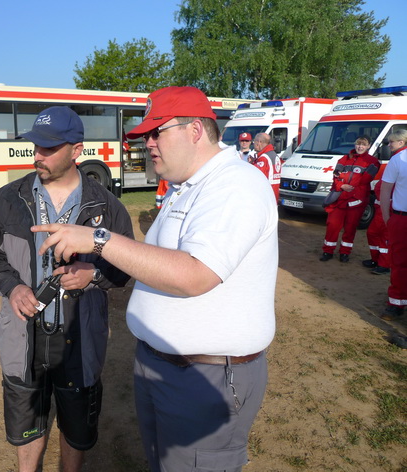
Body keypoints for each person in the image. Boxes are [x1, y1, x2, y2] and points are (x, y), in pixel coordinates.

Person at [31, 87, 278, 472]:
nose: (147, 143)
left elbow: (194, 274)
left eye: (156, 132)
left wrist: (98, 240)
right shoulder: (187, 186)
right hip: (165, 366)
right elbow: (158, 263)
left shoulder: (235, 185)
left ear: (195, 130)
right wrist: (96, 271)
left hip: (205, 377)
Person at [0, 106, 134, 472]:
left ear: (77, 150)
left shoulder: (107, 206)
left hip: (80, 336)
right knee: (27, 423)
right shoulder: (9, 198)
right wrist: (12, 287)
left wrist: (94, 275)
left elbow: (128, 267)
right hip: (23, 335)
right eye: (35, 146)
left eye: (49, 147)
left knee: (76, 426)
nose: (38, 155)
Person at [319, 135, 379, 263]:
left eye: (363, 144)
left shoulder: (373, 162)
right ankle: (327, 251)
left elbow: (365, 180)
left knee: (350, 227)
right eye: (358, 144)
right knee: (332, 225)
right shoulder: (343, 159)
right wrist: (341, 185)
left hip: (357, 199)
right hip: (340, 198)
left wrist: (345, 179)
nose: (360, 147)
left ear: (368, 146)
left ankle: (345, 253)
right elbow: (336, 176)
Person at [379, 129, 407, 321]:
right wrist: (387, 217)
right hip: (401, 218)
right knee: (399, 262)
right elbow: (385, 189)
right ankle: (397, 303)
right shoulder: (398, 159)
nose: (389, 145)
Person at [363, 179, 391, 274]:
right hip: (380, 209)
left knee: (386, 239)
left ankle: (384, 265)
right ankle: (376, 260)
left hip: (389, 210)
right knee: (372, 233)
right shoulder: (389, 172)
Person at [251, 132, 281, 202]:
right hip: (274, 195)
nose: (253, 144)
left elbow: (255, 176)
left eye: (254, 141)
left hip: (265, 196)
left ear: (259, 142)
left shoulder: (264, 158)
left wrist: (251, 164)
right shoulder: (274, 155)